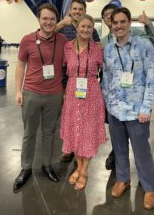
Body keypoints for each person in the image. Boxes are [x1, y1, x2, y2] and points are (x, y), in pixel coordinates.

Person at [102, 7, 154, 209]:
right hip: (115, 109)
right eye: (115, 22)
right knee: (119, 148)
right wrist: (108, 103)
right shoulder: (108, 49)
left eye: (122, 22)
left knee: (141, 151)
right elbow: (106, 79)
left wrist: (146, 107)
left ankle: (150, 188)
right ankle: (123, 179)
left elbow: (151, 78)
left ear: (129, 23)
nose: (118, 26)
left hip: (137, 111)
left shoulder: (144, 45)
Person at [13, 3, 67, 191]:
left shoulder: (62, 41)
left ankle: (46, 165)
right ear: (38, 19)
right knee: (29, 133)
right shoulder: (27, 40)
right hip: (31, 94)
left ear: (56, 21)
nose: (48, 22)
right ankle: (25, 168)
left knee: (49, 132)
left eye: (52, 19)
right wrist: (18, 91)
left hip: (54, 95)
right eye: (45, 18)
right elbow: (20, 65)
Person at [60, 14, 105, 190]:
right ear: (77, 28)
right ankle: (79, 167)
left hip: (92, 93)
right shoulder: (68, 48)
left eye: (89, 27)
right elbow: (64, 70)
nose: (86, 30)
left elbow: (105, 72)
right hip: (72, 92)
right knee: (75, 131)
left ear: (93, 29)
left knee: (88, 132)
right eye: (83, 26)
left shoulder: (98, 49)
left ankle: (84, 171)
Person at [56, 0, 100, 163]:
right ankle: (71, 148)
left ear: (84, 10)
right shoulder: (63, 27)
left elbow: (96, 49)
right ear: (70, 10)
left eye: (80, 9)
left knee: (85, 118)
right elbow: (48, 35)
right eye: (74, 9)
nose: (77, 12)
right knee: (70, 117)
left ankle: (82, 149)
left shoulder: (90, 29)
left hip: (86, 81)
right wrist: (61, 23)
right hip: (67, 79)